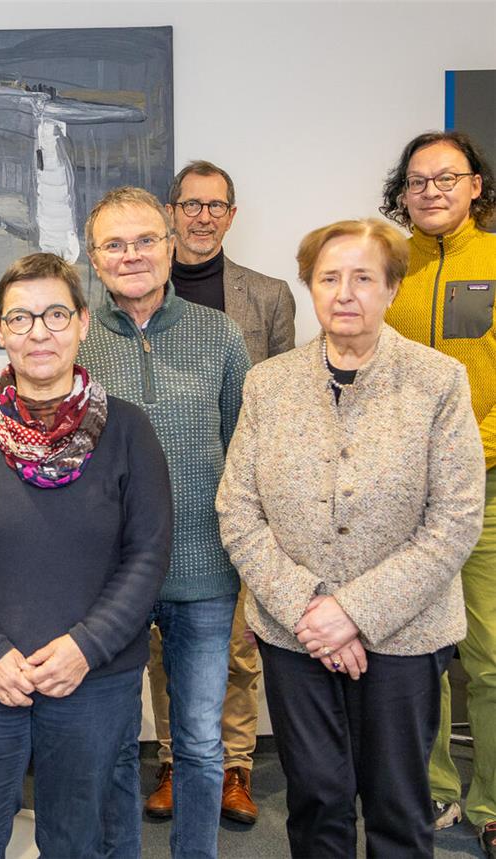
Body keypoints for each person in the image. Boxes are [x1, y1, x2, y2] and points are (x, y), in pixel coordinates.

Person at [216, 217, 485, 858]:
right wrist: (313, 609)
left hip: (405, 635)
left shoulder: (438, 381)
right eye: (329, 277)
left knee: (397, 805)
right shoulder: (269, 383)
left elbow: (454, 520)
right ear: (309, 287)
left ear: (392, 288)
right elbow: (238, 511)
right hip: (295, 634)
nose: (344, 293)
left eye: (363, 278)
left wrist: (353, 613)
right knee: (316, 800)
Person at [0, 252, 173, 858]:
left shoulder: (130, 429)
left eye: (56, 314)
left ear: (84, 323)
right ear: (1, 329)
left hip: (93, 677)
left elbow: (147, 554)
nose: (40, 332)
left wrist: (85, 647)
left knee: (79, 842)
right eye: (22, 318)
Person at [79, 186, 250, 859]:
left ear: (171, 244)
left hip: (205, 573)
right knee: (116, 741)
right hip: (109, 579)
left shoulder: (221, 335)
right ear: (94, 258)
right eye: (114, 244)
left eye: (145, 240)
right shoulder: (75, 337)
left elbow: (245, 453)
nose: (132, 255)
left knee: (202, 743)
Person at [143, 159, 297, 825]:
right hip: (158, 498)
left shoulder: (267, 296)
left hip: (241, 498)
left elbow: (290, 401)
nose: (203, 216)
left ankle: (234, 765)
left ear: (231, 215)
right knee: (160, 641)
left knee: (237, 642)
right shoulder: (137, 288)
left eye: (216, 205)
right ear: (171, 212)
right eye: (191, 204)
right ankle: (176, 760)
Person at [380, 130, 496, 857]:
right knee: (415, 653)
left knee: (488, 657)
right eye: (417, 180)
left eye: (446, 177)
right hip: (403, 500)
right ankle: (433, 789)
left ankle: (489, 800)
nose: (431, 190)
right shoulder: (388, 268)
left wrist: (465, 457)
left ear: (476, 185)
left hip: (486, 490)